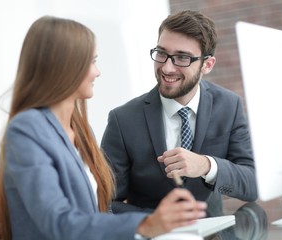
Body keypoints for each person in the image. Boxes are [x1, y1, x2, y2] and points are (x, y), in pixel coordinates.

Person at [0, 16, 207, 240]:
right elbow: (57, 222)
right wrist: (146, 224)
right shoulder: (27, 129)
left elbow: (99, 211)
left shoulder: (79, 128)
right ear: (64, 66)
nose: (97, 72)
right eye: (91, 61)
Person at [101, 9, 258, 217]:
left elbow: (252, 184)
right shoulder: (123, 120)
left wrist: (206, 165)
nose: (167, 67)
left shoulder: (229, 105)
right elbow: (105, 203)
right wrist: (157, 220)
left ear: (207, 65)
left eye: (182, 57)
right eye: (161, 53)